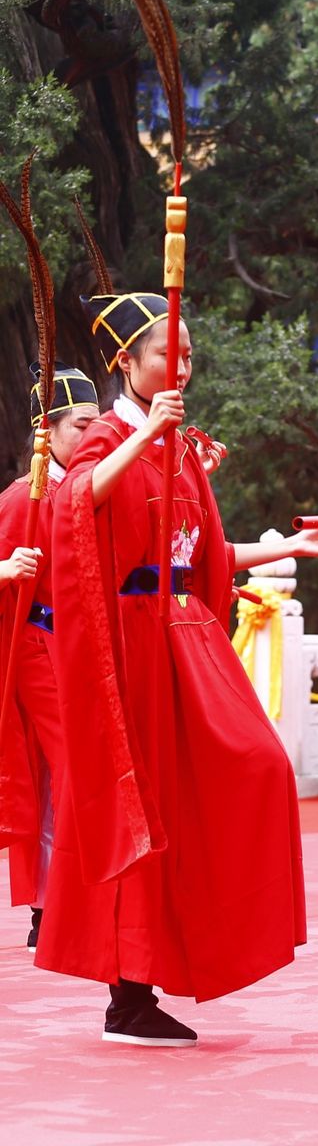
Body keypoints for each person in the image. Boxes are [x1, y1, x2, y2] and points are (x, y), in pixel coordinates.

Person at [38, 292, 318, 1045]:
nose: (181, 367)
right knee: (141, 805)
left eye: (190, 356)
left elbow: (206, 557)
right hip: (132, 649)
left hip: (188, 637)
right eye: (166, 355)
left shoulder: (177, 447)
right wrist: (147, 440)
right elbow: (74, 504)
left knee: (254, 769)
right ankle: (127, 994)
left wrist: (291, 551)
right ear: (127, 364)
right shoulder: (110, 436)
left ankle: (175, 959)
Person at [0, 367, 99, 949]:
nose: (91, 436)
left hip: (86, 648)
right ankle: (49, 902)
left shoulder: (88, 488)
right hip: (43, 647)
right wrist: (6, 570)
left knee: (75, 774)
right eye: (81, 425)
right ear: (48, 431)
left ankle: (64, 896)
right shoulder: (24, 496)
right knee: (65, 773)